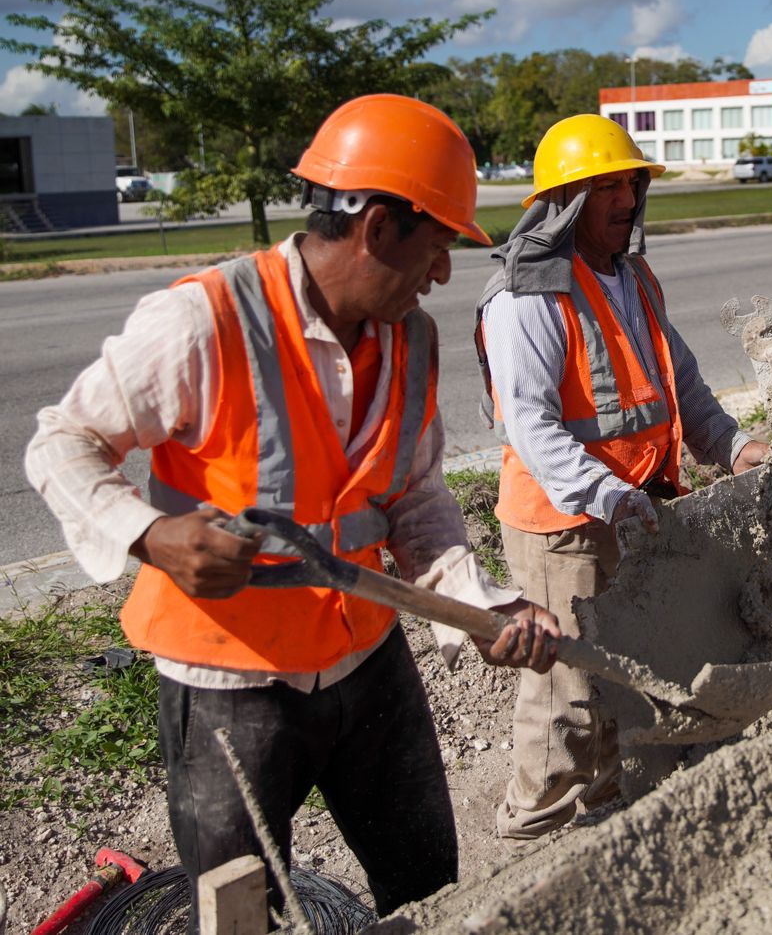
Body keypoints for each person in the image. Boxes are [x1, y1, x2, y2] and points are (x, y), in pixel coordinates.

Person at [25, 94, 561, 919]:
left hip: (366, 660)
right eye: (440, 242)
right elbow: (61, 441)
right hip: (227, 681)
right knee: (239, 912)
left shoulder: (411, 339)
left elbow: (414, 499)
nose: (445, 271)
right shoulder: (203, 321)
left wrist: (479, 607)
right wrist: (151, 534)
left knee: (428, 888)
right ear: (380, 226)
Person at [475, 113, 768, 839]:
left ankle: (611, 818)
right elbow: (531, 426)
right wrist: (609, 496)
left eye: (632, 181)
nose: (627, 198)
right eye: (606, 185)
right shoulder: (526, 294)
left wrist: (731, 447)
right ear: (565, 200)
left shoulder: (632, 276)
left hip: (638, 515)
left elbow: (680, 383)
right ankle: (532, 830)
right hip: (565, 529)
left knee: (640, 676)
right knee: (568, 696)